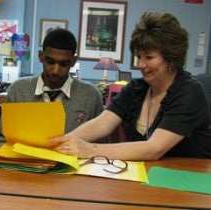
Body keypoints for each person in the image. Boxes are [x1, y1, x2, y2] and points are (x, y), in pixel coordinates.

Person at [49, 12, 211, 160]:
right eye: (138, 56)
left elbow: (154, 149)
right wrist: (60, 142)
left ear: (171, 58)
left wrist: (90, 149)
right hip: (145, 177)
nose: (141, 64)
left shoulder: (189, 91)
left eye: (149, 57)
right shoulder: (136, 88)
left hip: (188, 180)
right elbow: (102, 123)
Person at [0, 28, 105, 142]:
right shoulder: (18, 90)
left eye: (64, 64)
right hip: (25, 159)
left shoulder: (91, 95)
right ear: (41, 56)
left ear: (73, 61)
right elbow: (1, 141)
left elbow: (101, 148)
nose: (56, 71)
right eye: (50, 62)